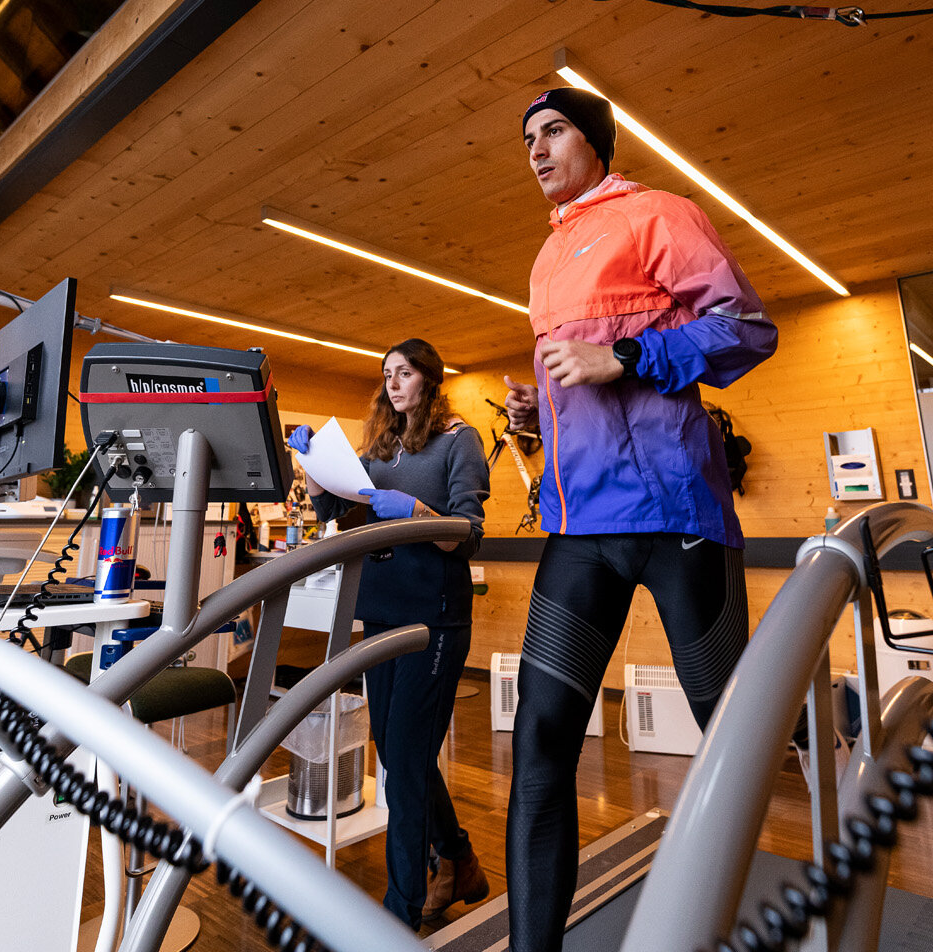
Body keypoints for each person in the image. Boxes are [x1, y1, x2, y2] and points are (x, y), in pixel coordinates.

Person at [502, 86, 778, 952]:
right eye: (528, 139)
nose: (537, 150)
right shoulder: (545, 262)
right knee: (540, 747)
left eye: (552, 132)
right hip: (580, 528)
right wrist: (535, 416)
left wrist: (619, 354)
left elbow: (748, 329)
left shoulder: (657, 214)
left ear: (595, 141)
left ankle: (732, 923)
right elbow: (580, 384)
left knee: (729, 743)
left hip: (675, 518)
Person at [289, 338, 492, 929]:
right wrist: (318, 476)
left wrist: (416, 510)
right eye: (387, 375)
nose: (393, 384)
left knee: (403, 763)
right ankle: (457, 857)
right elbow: (338, 516)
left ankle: (398, 913)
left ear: (430, 379)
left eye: (404, 373)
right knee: (400, 750)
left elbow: (466, 533)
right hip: (380, 612)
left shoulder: (460, 441)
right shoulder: (380, 446)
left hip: (434, 618)